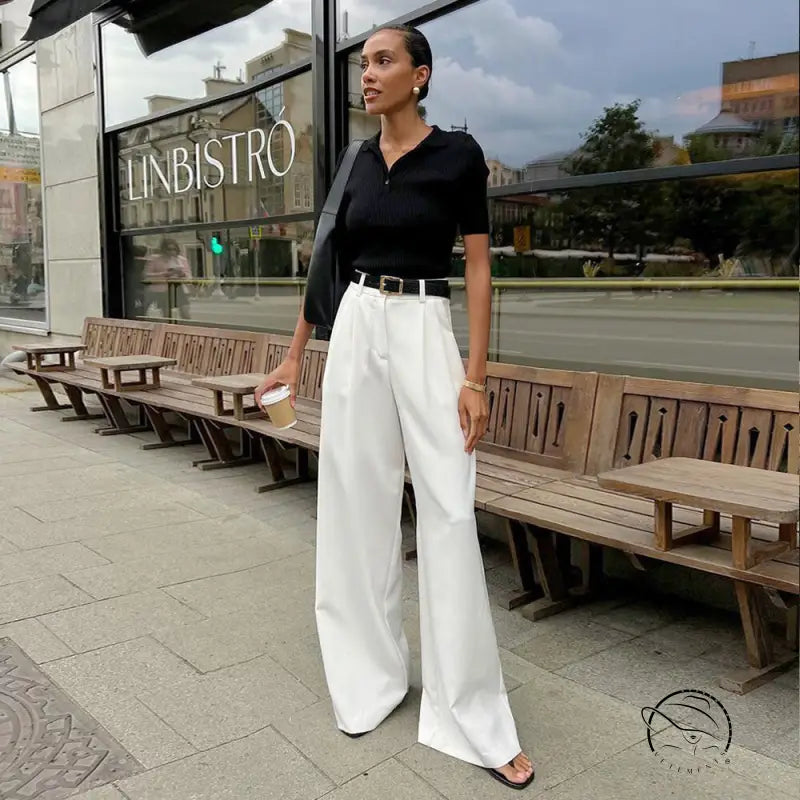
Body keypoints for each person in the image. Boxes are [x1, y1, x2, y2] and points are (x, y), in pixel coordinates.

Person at [254, 23, 535, 791]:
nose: (367, 74)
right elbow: (326, 263)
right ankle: (369, 681)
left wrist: (474, 378)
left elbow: (479, 269)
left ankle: (472, 713)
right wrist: (291, 354)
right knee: (353, 507)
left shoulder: (457, 157)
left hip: (421, 327)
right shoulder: (353, 161)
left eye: (383, 61)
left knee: (446, 511)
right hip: (356, 330)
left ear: (421, 75)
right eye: (365, 63)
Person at [146, 238, 192, 319]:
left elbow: (188, 275)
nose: (171, 252)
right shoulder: (156, 259)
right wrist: (164, 274)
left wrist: (182, 274)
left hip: (178, 287)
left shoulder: (181, 260)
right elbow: (147, 274)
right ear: (164, 249)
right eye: (169, 249)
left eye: (174, 249)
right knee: (167, 314)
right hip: (163, 289)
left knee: (185, 312)